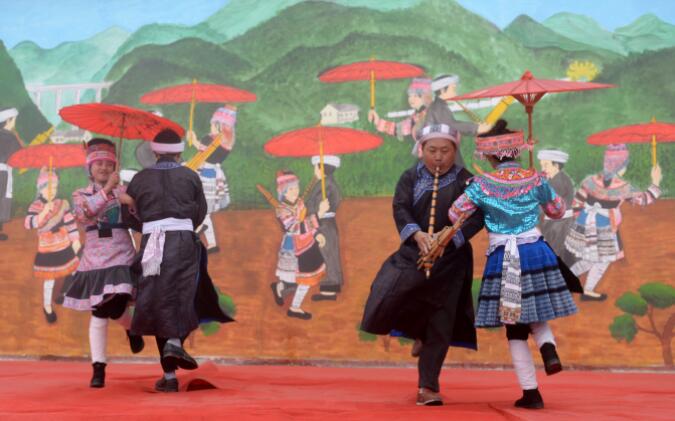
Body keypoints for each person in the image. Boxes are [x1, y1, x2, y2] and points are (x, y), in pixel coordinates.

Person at [446, 120, 581, 409]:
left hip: (502, 257)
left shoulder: (482, 184)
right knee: (536, 311)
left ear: (490, 156)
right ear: (517, 152)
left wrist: (482, 202)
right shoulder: (535, 179)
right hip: (535, 251)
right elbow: (558, 211)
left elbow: (454, 213)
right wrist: (536, 188)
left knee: (515, 326)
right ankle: (548, 349)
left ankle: (531, 393)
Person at [360, 123, 484, 406]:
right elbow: (400, 208)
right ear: (421, 149)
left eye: (445, 151)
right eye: (432, 150)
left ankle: (427, 387)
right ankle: (417, 330)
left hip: (451, 262)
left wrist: (446, 240)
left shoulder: (467, 181)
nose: (438, 156)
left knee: (441, 321)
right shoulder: (410, 177)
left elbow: (477, 217)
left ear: (455, 150)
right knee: (389, 292)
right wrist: (417, 235)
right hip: (413, 253)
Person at [123, 129, 234, 392]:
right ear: (180, 152)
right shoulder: (190, 176)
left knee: (159, 302)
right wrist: (179, 226)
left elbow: (129, 217)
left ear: (154, 151)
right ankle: (175, 343)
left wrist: (150, 225)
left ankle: (169, 377)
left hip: (152, 244)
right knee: (184, 298)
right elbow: (200, 213)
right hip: (183, 242)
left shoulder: (139, 179)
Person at [62, 138, 144, 388]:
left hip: (121, 254)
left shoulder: (124, 191)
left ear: (114, 166)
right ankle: (98, 368)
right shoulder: (80, 194)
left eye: (109, 164)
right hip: (95, 258)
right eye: (98, 163)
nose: (104, 168)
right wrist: (107, 189)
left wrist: (132, 204)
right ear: (90, 167)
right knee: (100, 311)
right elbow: (84, 214)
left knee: (118, 299)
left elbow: (140, 220)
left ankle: (131, 328)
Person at [565, 144, 662, 301]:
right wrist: (655, 181)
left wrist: (581, 222)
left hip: (584, 225)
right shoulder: (622, 187)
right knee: (602, 259)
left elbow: (577, 203)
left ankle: (567, 282)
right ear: (621, 167)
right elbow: (644, 199)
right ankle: (582, 288)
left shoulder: (590, 181)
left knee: (591, 259)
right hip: (603, 227)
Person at [25, 167, 81, 324]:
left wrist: (75, 239)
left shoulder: (62, 203)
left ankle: (63, 292)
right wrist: (43, 213)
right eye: (48, 188)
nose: (52, 191)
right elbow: (28, 224)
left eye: (55, 187)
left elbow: (70, 222)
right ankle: (47, 306)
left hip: (64, 243)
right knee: (49, 279)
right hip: (48, 248)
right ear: (41, 188)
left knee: (73, 269)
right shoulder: (36, 206)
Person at [270, 170, 328, 320]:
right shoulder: (281, 210)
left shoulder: (300, 203)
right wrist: (319, 215)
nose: (295, 191)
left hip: (307, 243)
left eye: (296, 187)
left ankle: (281, 290)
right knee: (301, 278)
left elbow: (305, 223)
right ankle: (293, 306)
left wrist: (316, 234)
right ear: (283, 192)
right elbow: (296, 227)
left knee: (299, 278)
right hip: (294, 248)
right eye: (290, 189)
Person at [186, 106, 236, 254]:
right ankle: (212, 243)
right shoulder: (213, 139)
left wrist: (194, 140)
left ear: (221, 126)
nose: (211, 126)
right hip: (206, 174)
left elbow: (207, 154)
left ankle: (199, 231)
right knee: (204, 211)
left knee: (202, 209)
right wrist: (194, 140)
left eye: (214, 124)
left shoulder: (221, 142)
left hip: (208, 176)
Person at [305, 155, 344, 301]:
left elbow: (315, 206)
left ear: (322, 168)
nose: (314, 170)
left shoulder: (326, 185)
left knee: (328, 254)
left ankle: (330, 290)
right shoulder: (326, 183)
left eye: (316, 167)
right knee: (328, 253)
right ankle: (329, 288)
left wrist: (319, 209)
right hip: (325, 222)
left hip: (324, 223)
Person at [368, 78, 433, 155]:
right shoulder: (415, 117)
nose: (411, 99)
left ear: (425, 97)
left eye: (416, 96)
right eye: (410, 96)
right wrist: (378, 121)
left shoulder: (430, 114)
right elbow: (399, 129)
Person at [537, 149, 576, 266]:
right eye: (542, 165)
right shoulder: (553, 179)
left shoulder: (559, 182)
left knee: (554, 255)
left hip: (559, 225)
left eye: (546, 165)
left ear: (556, 166)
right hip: (555, 224)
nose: (543, 169)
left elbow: (545, 204)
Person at [0, 107, 24, 241]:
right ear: (8, 120)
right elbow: (19, 155)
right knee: (2, 199)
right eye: (13, 120)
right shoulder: (9, 137)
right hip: (2, 172)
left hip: (3, 170)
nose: (15, 122)